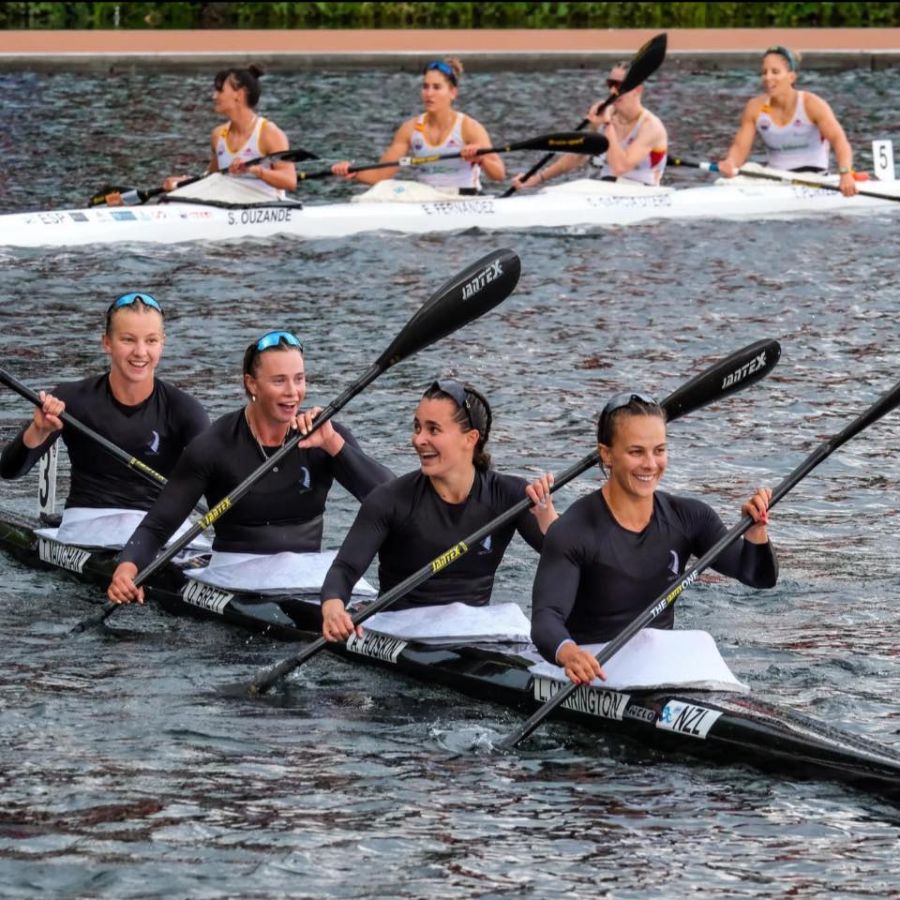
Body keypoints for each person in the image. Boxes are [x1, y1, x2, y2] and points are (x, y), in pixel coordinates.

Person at [106, 331, 393, 604]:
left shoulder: (326, 434)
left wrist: (334, 445)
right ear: (252, 384)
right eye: (279, 381)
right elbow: (158, 526)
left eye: (299, 379)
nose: (293, 393)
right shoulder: (214, 446)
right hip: (236, 573)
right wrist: (127, 570)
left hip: (310, 574)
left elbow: (395, 504)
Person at [530, 392, 778, 686]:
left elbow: (758, 577)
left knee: (698, 641)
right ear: (606, 454)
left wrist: (756, 532)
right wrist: (568, 652)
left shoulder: (690, 517)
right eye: (636, 452)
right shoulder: (574, 529)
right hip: (595, 665)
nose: (650, 464)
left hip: (657, 665)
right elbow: (546, 618)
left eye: (659, 450)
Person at [320, 379, 557, 642]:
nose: (419, 439)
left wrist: (550, 522)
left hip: (475, 632)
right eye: (417, 427)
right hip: (401, 628)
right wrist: (333, 608)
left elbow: (572, 561)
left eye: (433, 430)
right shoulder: (390, 500)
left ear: (471, 438)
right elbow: (344, 569)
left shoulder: (509, 495)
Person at [0, 292, 209, 512]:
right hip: (89, 521)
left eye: (151, 340)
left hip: (160, 527)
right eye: (128, 339)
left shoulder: (185, 410)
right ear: (107, 343)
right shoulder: (72, 400)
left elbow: (218, 478)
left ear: (162, 344)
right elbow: (9, 471)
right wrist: (38, 431)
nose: (140, 352)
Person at [330, 59, 505, 193]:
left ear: (453, 93)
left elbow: (499, 175)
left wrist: (481, 159)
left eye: (437, 87)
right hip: (426, 198)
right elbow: (380, 175)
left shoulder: (469, 127)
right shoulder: (410, 129)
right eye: (425, 87)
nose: (429, 94)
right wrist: (352, 172)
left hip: (464, 197)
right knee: (380, 192)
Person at [717, 46, 858, 197]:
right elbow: (739, 147)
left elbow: (839, 141)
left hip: (812, 178)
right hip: (773, 177)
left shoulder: (811, 104)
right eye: (764, 72)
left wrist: (845, 174)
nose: (768, 77)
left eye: (775, 72)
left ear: (791, 77)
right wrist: (731, 163)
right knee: (744, 171)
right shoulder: (755, 107)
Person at [512, 62, 668, 191]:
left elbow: (620, 167)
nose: (613, 90)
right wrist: (538, 178)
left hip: (641, 193)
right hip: (606, 189)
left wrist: (607, 125)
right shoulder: (605, 113)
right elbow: (578, 156)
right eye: (610, 84)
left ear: (637, 89)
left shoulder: (651, 127)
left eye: (620, 85)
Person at [163, 64, 297, 198]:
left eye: (220, 91)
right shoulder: (218, 135)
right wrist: (183, 183)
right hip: (231, 207)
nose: (214, 96)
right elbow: (212, 179)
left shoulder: (269, 134)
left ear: (238, 95)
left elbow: (290, 181)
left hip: (267, 208)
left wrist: (255, 170)